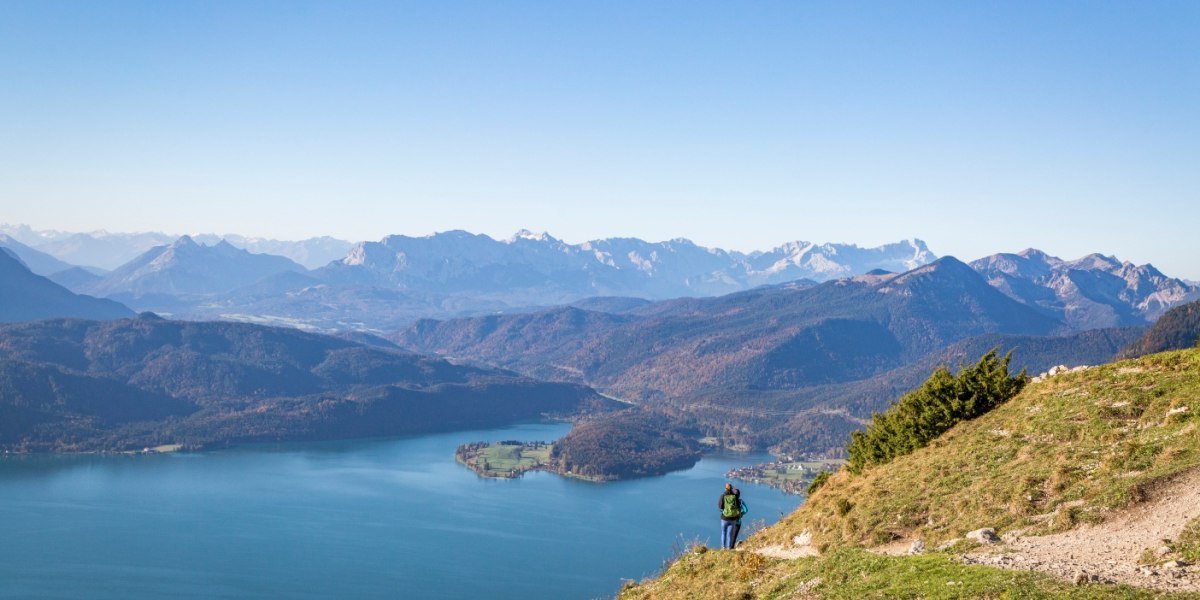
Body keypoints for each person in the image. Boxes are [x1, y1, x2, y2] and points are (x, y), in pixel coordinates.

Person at [718, 482, 742, 549]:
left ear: (725, 488)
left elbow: (720, 506)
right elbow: (738, 507)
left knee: (723, 532)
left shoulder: (722, 496)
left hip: (724, 518)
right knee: (730, 534)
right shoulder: (735, 497)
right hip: (733, 518)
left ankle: (723, 547)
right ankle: (729, 548)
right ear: (731, 488)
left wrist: (725, 508)